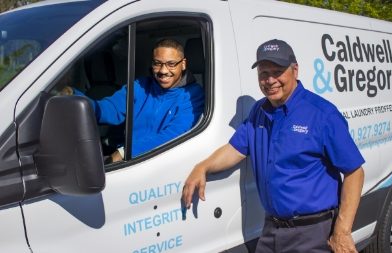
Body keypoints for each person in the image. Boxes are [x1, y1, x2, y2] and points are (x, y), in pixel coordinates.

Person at [182, 39, 364, 252]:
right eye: (263, 74)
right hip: (271, 230)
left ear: (294, 70)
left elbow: (354, 172)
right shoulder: (259, 111)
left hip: (313, 233)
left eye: (277, 72)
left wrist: (342, 231)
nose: (269, 80)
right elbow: (235, 150)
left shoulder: (322, 114)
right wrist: (201, 167)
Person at [63, 39, 204, 162]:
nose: (163, 71)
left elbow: (172, 136)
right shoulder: (140, 86)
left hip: (161, 163)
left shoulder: (193, 95)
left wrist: (124, 152)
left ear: (183, 64)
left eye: (171, 64)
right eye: (157, 63)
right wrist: (74, 98)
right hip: (130, 163)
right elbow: (110, 109)